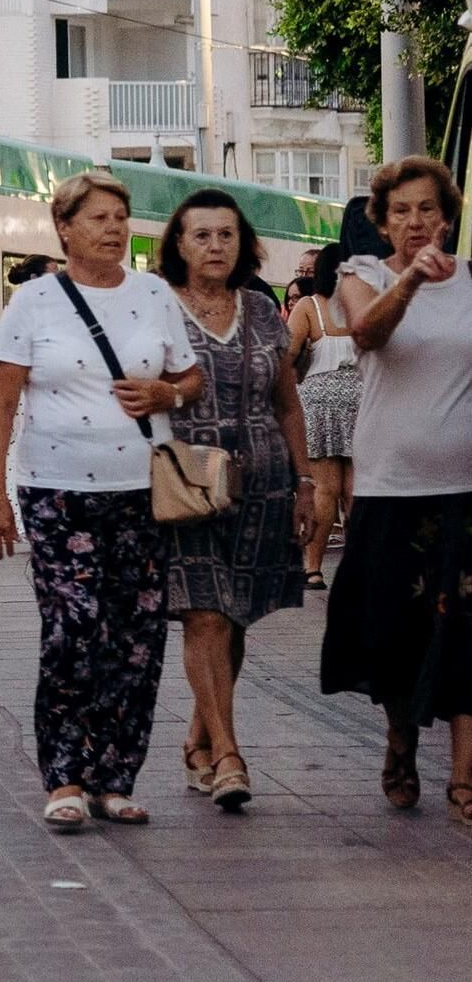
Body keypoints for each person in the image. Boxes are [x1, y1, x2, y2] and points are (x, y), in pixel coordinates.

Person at [0, 171, 202, 833]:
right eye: (99, 217)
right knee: (73, 633)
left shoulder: (153, 294)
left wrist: (168, 396)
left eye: (120, 216)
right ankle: (66, 777)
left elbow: (188, 374)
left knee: (134, 641)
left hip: (142, 492)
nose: (113, 228)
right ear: (64, 228)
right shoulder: (33, 304)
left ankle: (114, 777)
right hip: (57, 494)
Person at [321, 156, 472, 825]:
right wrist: (409, 278)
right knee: (393, 630)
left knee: (467, 633)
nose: (415, 222)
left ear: (448, 216)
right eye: (401, 211)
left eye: (427, 210)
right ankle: (400, 736)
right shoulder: (361, 276)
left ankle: (465, 778)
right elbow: (367, 332)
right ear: (381, 221)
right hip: (389, 484)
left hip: (463, 488)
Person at [155, 190, 313, 812]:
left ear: (242, 243)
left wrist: (306, 482)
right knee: (206, 614)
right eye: (201, 235)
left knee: (237, 614)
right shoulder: (159, 305)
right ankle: (228, 755)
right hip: (188, 481)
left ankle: (198, 739)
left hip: (265, 481)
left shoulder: (264, 308)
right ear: (179, 245)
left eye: (226, 235)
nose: (215, 246)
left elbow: (287, 403)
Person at [286, 247, 359, 589]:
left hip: (319, 403)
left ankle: (313, 569)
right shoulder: (362, 304)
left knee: (324, 490)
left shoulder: (308, 307)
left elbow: (286, 356)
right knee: (356, 490)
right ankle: (364, 565)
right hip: (362, 401)